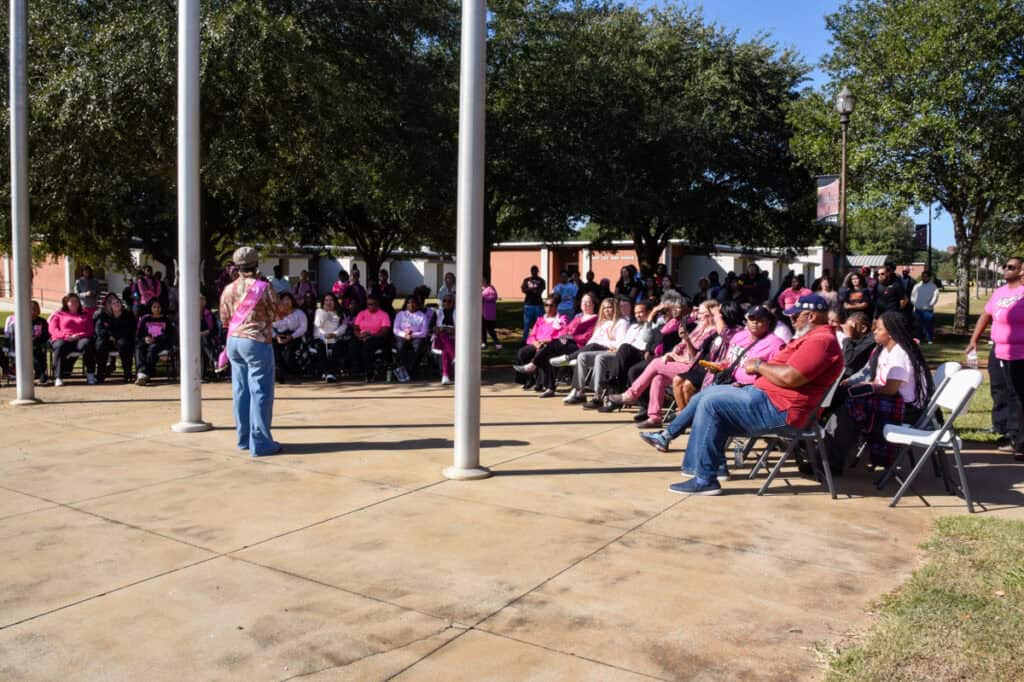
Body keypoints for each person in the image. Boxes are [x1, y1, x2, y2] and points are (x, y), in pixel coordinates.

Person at [652, 294, 843, 495]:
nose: (791, 320)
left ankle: (704, 479)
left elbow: (791, 377)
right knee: (708, 395)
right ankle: (711, 469)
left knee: (712, 403)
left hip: (782, 409)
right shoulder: (813, 339)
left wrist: (759, 365)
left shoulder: (821, 341)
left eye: (796, 316)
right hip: (770, 400)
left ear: (811, 316)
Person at [640, 305, 785, 453]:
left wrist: (751, 378)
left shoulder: (775, 344)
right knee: (699, 398)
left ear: (768, 322)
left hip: (749, 390)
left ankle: (673, 440)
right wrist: (719, 365)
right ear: (746, 320)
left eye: (760, 320)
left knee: (706, 401)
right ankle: (667, 437)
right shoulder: (740, 336)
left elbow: (777, 375)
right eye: (752, 318)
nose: (755, 322)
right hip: (727, 382)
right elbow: (730, 360)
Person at [825, 312, 933, 471]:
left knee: (848, 409)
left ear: (891, 333)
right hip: (893, 401)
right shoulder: (885, 350)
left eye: (879, 329)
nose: (874, 331)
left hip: (907, 410)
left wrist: (869, 387)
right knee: (847, 400)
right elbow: (879, 382)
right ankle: (831, 457)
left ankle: (830, 463)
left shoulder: (900, 354)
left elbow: (889, 389)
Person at [607, 300, 721, 428]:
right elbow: (680, 345)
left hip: (693, 367)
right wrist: (672, 353)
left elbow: (695, 357)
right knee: (658, 378)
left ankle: (631, 394)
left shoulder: (713, 332)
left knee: (656, 363)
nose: (698, 315)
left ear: (710, 314)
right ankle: (654, 417)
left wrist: (684, 344)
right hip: (680, 361)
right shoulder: (700, 327)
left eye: (701, 313)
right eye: (698, 312)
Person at [219, 247, 280, 456]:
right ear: (256, 265)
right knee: (261, 391)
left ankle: (244, 439)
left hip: (234, 342)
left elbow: (225, 319)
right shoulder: (264, 287)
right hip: (256, 340)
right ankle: (261, 442)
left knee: (241, 391)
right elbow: (275, 314)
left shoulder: (228, 289)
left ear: (237, 266)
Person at [966, 256, 1024, 461]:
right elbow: (986, 315)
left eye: (1011, 267)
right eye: (1005, 266)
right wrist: (974, 339)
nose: (1005, 270)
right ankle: (1005, 430)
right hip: (999, 349)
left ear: (1022, 271)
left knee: (1018, 395)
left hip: (1020, 353)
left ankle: (1020, 440)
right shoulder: (999, 292)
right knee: (999, 389)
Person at [514, 292, 599, 397]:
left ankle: (533, 365)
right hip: (565, 343)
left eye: (588, 302)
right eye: (583, 302)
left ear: (594, 304)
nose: (585, 305)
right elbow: (565, 331)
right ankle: (550, 388)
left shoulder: (595, 319)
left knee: (551, 346)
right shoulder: (578, 318)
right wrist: (564, 337)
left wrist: (569, 337)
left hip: (579, 347)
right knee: (549, 353)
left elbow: (587, 336)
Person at [670, 301, 748, 412]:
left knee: (687, 385)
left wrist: (716, 313)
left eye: (703, 313)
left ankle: (691, 417)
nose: (699, 316)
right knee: (677, 380)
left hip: (714, 371)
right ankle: (683, 415)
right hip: (700, 365)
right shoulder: (712, 333)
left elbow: (725, 337)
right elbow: (696, 354)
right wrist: (686, 339)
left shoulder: (734, 333)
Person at [563, 297, 629, 404]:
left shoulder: (622, 322)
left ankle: (597, 394)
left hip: (612, 350)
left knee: (598, 357)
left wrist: (603, 344)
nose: (607, 310)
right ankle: (579, 392)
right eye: (604, 308)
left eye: (610, 308)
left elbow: (620, 342)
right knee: (582, 356)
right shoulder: (602, 322)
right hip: (598, 348)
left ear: (615, 308)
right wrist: (586, 349)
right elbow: (593, 339)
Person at [514, 295, 569, 391]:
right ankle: (529, 379)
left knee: (542, 352)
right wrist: (535, 342)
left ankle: (541, 382)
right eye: (546, 305)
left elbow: (562, 336)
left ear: (556, 306)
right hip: (537, 343)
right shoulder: (540, 319)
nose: (548, 307)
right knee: (521, 352)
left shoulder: (561, 319)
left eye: (551, 305)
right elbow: (532, 335)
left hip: (549, 345)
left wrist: (545, 341)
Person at [48, 293, 97, 386]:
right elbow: (53, 330)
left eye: (76, 301)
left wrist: (78, 336)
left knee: (87, 343)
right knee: (59, 345)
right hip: (63, 339)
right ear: (66, 303)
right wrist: (66, 336)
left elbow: (90, 330)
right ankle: (58, 377)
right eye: (71, 301)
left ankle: (90, 374)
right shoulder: (59, 314)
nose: (74, 303)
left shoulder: (85, 315)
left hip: (80, 339)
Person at [4, 300, 50, 385]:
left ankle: (40, 373)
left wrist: (34, 340)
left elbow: (46, 335)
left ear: (38, 310)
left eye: (35, 309)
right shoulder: (20, 321)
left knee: (35, 351)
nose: (32, 311)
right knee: (29, 351)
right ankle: (38, 373)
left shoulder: (42, 322)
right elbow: (13, 335)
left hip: (37, 345)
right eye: (30, 309)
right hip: (21, 345)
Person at [349, 295, 392, 382]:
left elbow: (385, 330)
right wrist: (359, 335)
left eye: (373, 304)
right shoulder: (362, 313)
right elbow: (356, 327)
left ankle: (369, 373)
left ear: (377, 304)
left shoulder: (383, 315)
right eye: (368, 304)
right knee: (352, 345)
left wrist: (371, 336)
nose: (370, 306)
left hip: (377, 337)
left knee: (367, 347)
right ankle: (357, 369)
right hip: (362, 337)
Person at [94, 293, 135, 383]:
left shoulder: (128, 315)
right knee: (100, 344)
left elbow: (130, 330)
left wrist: (115, 336)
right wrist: (109, 336)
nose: (116, 304)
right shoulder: (103, 315)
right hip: (108, 340)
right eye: (113, 303)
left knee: (123, 343)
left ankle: (127, 374)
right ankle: (100, 373)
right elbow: (99, 330)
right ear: (110, 306)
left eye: (118, 302)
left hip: (122, 339)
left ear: (121, 304)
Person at [134, 300, 175, 386]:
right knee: (139, 347)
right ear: (151, 308)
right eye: (154, 307)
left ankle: (145, 374)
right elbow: (138, 334)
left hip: (161, 343)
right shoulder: (145, 319)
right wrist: (145, 339)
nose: (157, 309)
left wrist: (155, 339)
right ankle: (142, 373)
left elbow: (169, 335)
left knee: (153, 348)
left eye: (159, 307)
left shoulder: (165, 320)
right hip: (147, 341)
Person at [271, 293, 308, 383]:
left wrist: (291, 337)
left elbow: (303, 327)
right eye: (283, 300)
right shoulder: (275, 314)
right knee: (274, 350)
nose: (286, 302)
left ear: (292, 301)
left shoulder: (299, 313)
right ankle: (281, 374)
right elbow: (269, 327)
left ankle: (293, 374)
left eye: (288, 299)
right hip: (278, 336)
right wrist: (276, 337)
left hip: (295, 336)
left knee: (289, 353)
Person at [392, 296, 431, 383]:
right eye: (409, 303)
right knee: (400, 347)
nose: (411, 304)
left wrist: (412, 335)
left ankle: (406, 370)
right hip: (402, 336)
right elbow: (395, 329)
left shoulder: (422, 316)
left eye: (413, 303)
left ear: (417, 305)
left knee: (417, 348)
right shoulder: (400, 314)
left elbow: (424, 332)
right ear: (406, 304)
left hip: (416, 336)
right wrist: (404, 334)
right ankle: (407, 371)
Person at [313, 293, 347, 382]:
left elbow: (344, 326)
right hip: (321, 337)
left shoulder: (340, 312)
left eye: (331, 300)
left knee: (338, 347)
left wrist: (334, 334)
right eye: (326, 300)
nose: (329, 302)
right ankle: (327, 372)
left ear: (335, 301)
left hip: (335, 337)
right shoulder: (319, 312)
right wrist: (325, 312)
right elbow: (318, 325)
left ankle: (330, 373)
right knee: (320, 347)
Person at [910, 270, 939, 343]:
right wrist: (915, 303)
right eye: (923, 276)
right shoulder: (917, 286)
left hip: (928, 310)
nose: (924, 278)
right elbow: (912, 295)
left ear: (929, 277)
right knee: (917, 326)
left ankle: (929, 339)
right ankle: (918, 339)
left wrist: (930, 304)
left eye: (926, 276)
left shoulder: (933, 286)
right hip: (918, 310)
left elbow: (935, 297)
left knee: (928, 326)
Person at [433, 294, 456, 385]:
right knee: (443, 334)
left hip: (455, 338)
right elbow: (432, 327)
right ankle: (455, 356)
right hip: (440, 338)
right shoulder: (438, 312)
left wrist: (452, 329)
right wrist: (439, 329)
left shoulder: (458, 312)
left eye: (449, 301)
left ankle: (445, 375)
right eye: (445, 301)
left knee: (446, 350)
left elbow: (463, 328)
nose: (446, 303)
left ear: (453, 302)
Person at [520, 265, 546, 344]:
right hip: (528, 304)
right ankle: (525, 340)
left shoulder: (541, 280)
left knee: (539, 323)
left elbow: (540, 291)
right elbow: (523, 289)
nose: (534, 272)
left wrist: (530, 290)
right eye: (533, 271)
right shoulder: (526, 280)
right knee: (527, 323)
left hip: (538, 304)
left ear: (537, 271)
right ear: (531, 271)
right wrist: (532, 289)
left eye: (536, 271)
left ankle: (539, 338)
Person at [481, 276, 502, 349]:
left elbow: (494, 297)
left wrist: (484, 298)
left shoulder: (491, 288)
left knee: (490, 329)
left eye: (483, 280)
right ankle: (484, 342)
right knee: (482, 328)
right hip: (482, 312)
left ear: (486, 281)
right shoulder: (480, 289)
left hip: (489, 312)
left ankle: (497, 343)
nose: (482, 282)